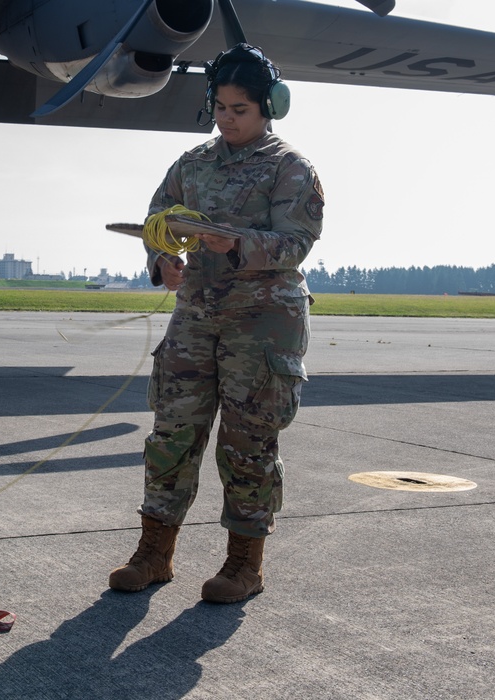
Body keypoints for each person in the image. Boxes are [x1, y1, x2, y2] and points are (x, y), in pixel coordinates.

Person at [108, 43, 324, 603]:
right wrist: (162, 259)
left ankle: (243, 565)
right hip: (197, 315)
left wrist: (238, 243)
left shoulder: (290, 168)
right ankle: (154, 553)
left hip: (262, 321)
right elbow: (159, 220)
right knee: (171, 433)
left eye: (241, 109)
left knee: (247, 442)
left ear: (269, 107)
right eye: (221, 107)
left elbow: (295, 243)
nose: (228, 118)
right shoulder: (192, 164)